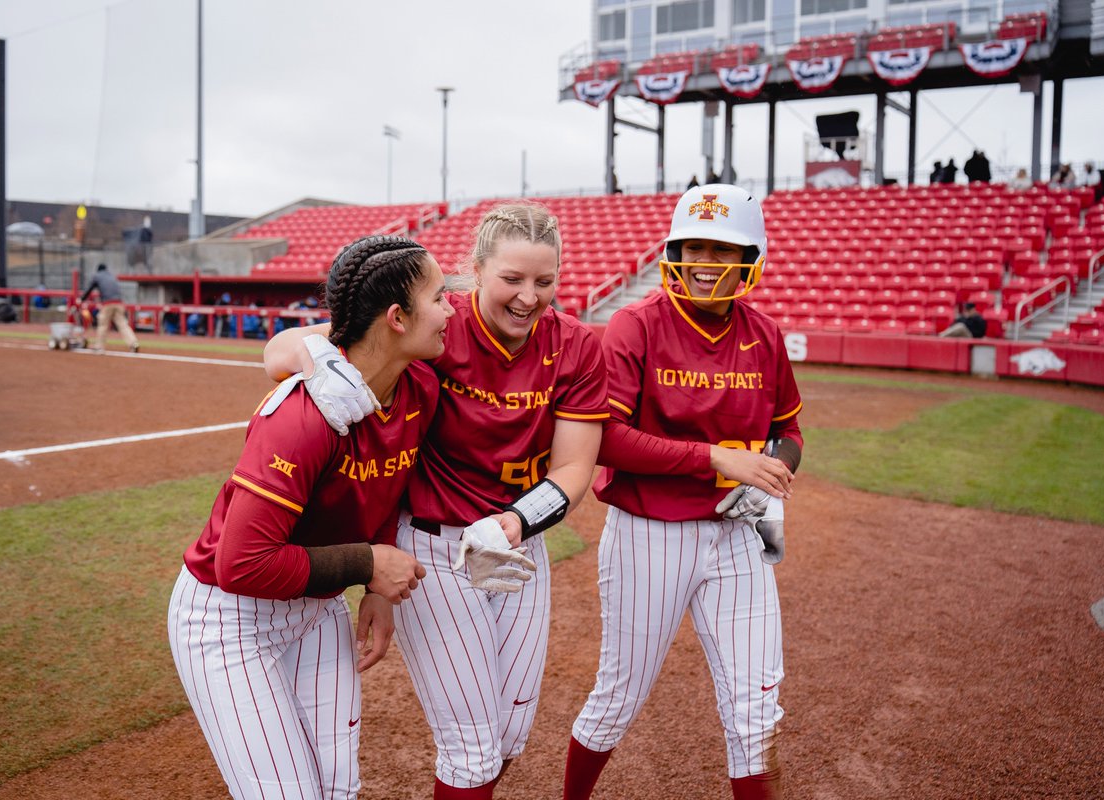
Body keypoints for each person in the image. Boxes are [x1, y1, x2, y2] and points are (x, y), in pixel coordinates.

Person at [263, 204, 610, 799]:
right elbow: (281, 350)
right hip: (433, 548)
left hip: (517, 542)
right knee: (471, 750)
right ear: (475, 271)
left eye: (544, 282)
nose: (529, 297)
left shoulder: (575, 345)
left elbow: (575, 466)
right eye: (512, 279)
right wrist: (315, 362)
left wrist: (513, 523)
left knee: (509, 738)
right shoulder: (438, 326)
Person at [167, 235, 452, 800]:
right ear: (396, 318)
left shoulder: (419, 385)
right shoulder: (302, 417)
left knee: (337, 788)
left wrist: (376, 588)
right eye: (441, 298)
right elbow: (242, 566)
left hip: (313, 608)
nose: (451, 310)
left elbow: (390, 490)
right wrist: (368, 563)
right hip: (230, 621)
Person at [563, 184, 802, 800]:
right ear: (671, 250)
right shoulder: (635, 324)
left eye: (722, 250)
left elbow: (788, 430)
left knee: (756, 709)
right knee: (619, 695)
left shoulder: (765, 334)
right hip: (651, 534)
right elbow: (607, 439)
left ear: (751, 258)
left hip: (740, 535)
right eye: (693, 246)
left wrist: (771, 471)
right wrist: (719, 459)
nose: (704, 262)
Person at [80, 263, 139, 353]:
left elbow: (89, 289)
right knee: (123, 325)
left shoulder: (97, 276)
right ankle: (133, 343)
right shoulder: (112, 276)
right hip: (119, 303)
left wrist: (81, 299)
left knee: (103, 324)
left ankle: (99, 345)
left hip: (108, 303)